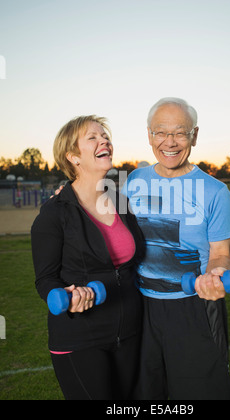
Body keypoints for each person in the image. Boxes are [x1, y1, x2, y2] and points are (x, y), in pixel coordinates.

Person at [121, 97, 230, 400]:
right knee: (144, 395)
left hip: (193, 308)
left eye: (180, 133)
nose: (169, 142)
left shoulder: (216, 192)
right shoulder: (132, 182)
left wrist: (216, 275)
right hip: (140, 308)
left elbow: (220, 253)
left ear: (194, 136)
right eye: (161, 132)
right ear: (149, 135)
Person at [31, 115, 144, 400]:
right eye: (92, 137)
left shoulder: (122, 202)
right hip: (80, 337)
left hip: (131, 331)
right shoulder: (54, 213)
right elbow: (45, 279)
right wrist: (65, 294)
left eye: (104, 135)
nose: (103, 140)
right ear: (73, 157)